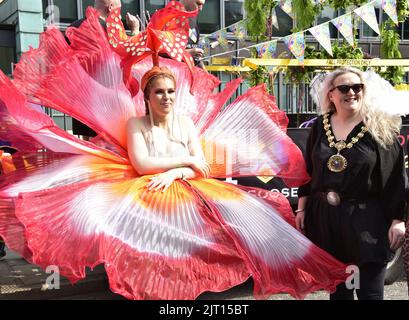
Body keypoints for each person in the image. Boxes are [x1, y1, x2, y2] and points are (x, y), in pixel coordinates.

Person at [0, 3, 350, 300]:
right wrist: (182, 164)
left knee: (236, 233)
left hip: (184, 188)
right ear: (148, 97)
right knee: (139, 249)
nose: (167, 97)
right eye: (159, 92)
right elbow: (141, 163)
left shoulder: (185, 124)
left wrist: (175, 170)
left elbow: (200, 166)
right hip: (144, 191)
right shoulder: (135, 125)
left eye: (170, 90)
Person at [295, 67, 407, 300]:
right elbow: (308, 171)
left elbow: (395, 178)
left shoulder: (379, 127)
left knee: (370, 294)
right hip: (328, 222)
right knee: (339, 293)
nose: (352, 93)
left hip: (368, 223)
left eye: (358, 87)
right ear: (331, 95)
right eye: (344, 88)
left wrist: (397, 220)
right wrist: (302, 207)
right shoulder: (319, 126)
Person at [67, 0, 140, 140]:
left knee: (88, 144)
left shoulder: (75, 26)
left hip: (83, 97)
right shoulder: (109, 30)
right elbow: (130, 55)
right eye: (119, 10)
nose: (120, 15)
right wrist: (135, 30)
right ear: (111, 7)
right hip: (107, 99)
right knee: (108, 146)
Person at [180, 0, 206, 68]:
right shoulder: (168, 17)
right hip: (172, 74)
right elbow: (159, 52)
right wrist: (189, 52)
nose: (201, 8)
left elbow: (196, 56)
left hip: (189, 72)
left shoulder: (193, 21)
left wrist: (207, 74)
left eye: (202, 5)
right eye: (198, 3)